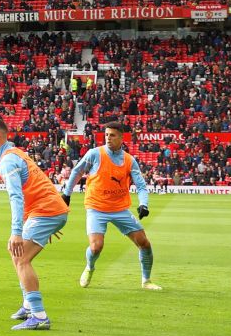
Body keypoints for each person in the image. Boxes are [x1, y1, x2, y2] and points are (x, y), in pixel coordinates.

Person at [0, 117, 69, 331]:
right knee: (16, 253)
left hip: (45, 210)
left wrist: (17, 231)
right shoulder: (16, 153)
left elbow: (16, 197)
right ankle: (29, 305)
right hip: (47, 210)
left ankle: (39, 316)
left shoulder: (8, 160)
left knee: (20, 256)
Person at [60, 120, 159, 290]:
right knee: (96, 246)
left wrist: (144, 204)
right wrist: (66, 194)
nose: (108, 138)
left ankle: (146, 281)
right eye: (106, 135)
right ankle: (90, 267)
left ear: (121, 138)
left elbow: (141, 185)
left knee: (144, 243)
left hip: (120, 209)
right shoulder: (94, 154)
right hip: (96, 207)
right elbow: (77, 171)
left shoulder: (129, 160)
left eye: (112, 135)